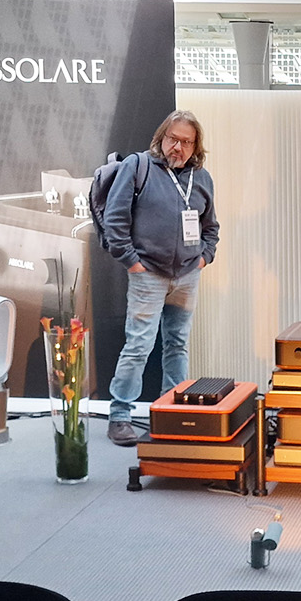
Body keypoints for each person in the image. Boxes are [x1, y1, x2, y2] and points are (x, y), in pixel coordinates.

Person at [100, 110, 219, 446]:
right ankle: (120, 416)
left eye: (185, 141)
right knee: (138, 346)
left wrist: (204, 258)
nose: (177, 147)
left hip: (186, 277)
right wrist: (132, 262)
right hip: (148, 275)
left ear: (196, 146)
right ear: (161, 138)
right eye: (172, 138)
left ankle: (170, 413)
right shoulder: (138, 167)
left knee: (177, 346)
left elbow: (211, 227)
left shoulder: (202, 178)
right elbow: (115, 219)